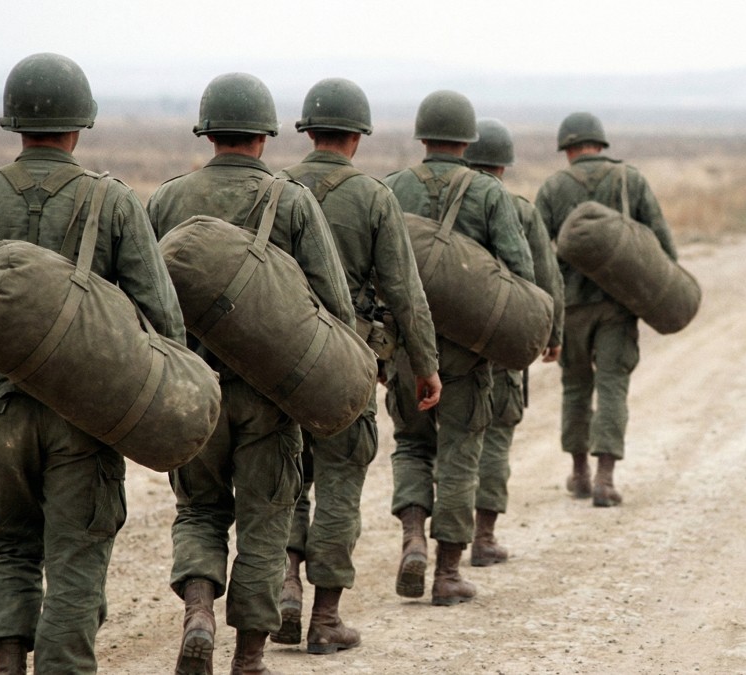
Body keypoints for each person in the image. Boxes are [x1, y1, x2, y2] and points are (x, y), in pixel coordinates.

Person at [0, 53, 186, 674]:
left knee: (9, 548)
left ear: (15, 124)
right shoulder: (113, 203)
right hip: (85, 422)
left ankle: (8, 665)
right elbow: (162, 318)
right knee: (77, 560)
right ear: (80, 123)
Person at [146, 72, 354, 675]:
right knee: (267, 517)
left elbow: (140, 303)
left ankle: (198, 615)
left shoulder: (165, 200)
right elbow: (333, 308)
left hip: (193, 394)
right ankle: (251, 656)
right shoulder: (291, 200)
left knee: (199, 510)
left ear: (209, 132)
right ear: (265, 136)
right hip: (270, 398)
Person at [272, 77, 441, 653]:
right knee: (341, 481)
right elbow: (404, 291)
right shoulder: (373, 196)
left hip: (280, 361)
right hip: (348, 362)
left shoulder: (276, 188)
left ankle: (287, 585)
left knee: (290, 478)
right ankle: (324, 620)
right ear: (358, 136)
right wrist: (424, 365)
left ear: (307, 130)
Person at [382, 90, 534, 606]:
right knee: (461, 453)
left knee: (410, 443)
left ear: (422, 136)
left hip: (409, 349)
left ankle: (411, 540)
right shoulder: (489, 194)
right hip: (469, 355)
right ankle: (447, 574)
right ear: (468, 139)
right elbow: (519, 273)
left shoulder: (392, 187)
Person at [535, 112, 677, 507]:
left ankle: (579, 473)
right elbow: (663, 245)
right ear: (600, 144)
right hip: (618, 305)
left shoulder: (552, 188)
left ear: (568, 150)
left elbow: (536, 252)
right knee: (613, 385)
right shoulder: (631, 180)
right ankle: (605, 478)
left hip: (573, 308)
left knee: (575, 387)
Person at [463, 118, 564, 565]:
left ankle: (420, 539)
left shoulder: (426, 200)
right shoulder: (518, 209)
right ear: (504, 165)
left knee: (429, 444)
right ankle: (483, 538)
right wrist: (552, 335)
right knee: (496, 436)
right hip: (500, 345)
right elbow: (545, 278)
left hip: (435, 344)